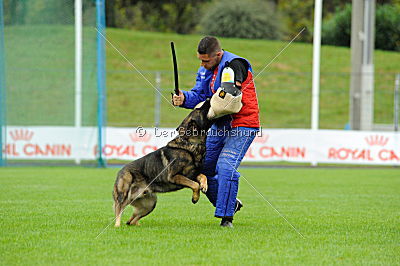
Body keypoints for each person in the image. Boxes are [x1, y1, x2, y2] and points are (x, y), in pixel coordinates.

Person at [172, 36, 260, 227]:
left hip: (242, 125)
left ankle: (226, 218)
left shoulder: (236, 64)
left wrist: (207, 108)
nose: (202, 65)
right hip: (219, 126)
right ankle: (231, 204)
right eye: (200, 60)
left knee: (226, 166)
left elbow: (229, 96)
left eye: (206, 61)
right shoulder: (205, 71)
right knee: (202, 169)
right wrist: (183, 98)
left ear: (218, 55)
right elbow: (200, 95)